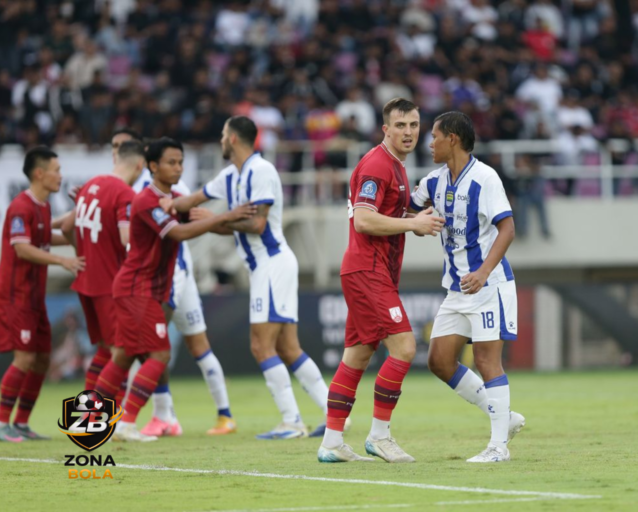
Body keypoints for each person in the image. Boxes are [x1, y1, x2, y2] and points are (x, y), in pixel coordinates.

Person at [168, 116, 331, 440]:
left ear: (233, 139)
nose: (220, 139)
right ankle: (334, 414)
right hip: (265, 268)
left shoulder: (262, 171)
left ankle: (291, 421)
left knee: (261, 345)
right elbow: (191, 201)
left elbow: (257, 225)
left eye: (223, 134)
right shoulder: (230, 176)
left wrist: (216, 219)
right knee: (288, 348)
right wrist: (159, 205)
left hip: (271, 264)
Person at [92, 137, 255, 442]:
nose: (177, 168)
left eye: (180, 162)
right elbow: (178, 232)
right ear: (152, 166)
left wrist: (230, 222)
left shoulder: (172, 200)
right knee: (160, 355)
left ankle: (93, 422)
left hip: (142, 288)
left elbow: (202, 222)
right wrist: (225, 215)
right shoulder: (146, 201)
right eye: (170, 162)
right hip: (138, 288)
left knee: (124, 356)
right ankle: (126, 423)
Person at [316, 98, 445, 463]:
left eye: (414, 125)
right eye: (401, 125)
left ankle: (331, 441)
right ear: (385, 129)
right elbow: (364, 220)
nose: (409, 132)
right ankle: (379, 436)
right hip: (367, 270)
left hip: (372, 270)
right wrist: (412, 223)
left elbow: (385, 213)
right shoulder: (376, 164)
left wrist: (413, 219)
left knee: (357, 356)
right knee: (404, 348)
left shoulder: (396, 166)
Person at [411, 111, 524, 463]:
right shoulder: (433, 182)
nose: (429, 143)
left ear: (453, 139)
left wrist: (483, 272)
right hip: (457, 289)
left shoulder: (485, 178)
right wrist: (410, 222)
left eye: (434, 136)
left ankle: (497, 447)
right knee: (439, 361)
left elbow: (507, 229)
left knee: (488, 361)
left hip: (487, 285)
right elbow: (405, 208)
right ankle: (506, 418)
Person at [0, 146, 85, 442]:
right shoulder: (21, 206)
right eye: (56, 169)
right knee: (24, 359)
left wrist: (76, 216)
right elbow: (22, 247)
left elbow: (47, 237)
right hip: (14, 297)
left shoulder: (43, 207)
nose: (61, 175)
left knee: (42, 359)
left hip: (33, 299)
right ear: (39, 173)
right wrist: (63, 260)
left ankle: (20, 423)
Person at [62, 140, 145, 403]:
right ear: (140, 165)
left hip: (86, 282)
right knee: (123, 352)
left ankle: (98, 417)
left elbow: (66, 227)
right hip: (110, 285)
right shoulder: (124, 194)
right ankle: (101, 420)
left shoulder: (89, 186)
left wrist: (83, 255)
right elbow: (126, 239)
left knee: (105, 352)